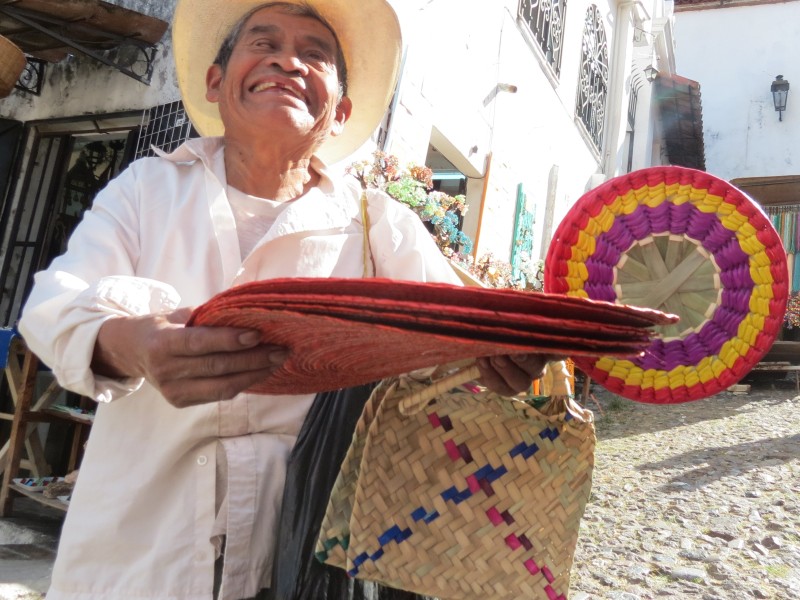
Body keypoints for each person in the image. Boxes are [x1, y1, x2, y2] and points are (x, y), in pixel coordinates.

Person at [18, 1, 551, 598]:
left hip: (308, 556)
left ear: (340, 112)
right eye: (264, 43)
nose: (288, 62)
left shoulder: (379, 224)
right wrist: (133, 344)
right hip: (140, 553)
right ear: (216, 82)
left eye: (315, 54)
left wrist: (494, 361)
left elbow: (456, 338)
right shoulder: (147, 190)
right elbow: (55, 305)